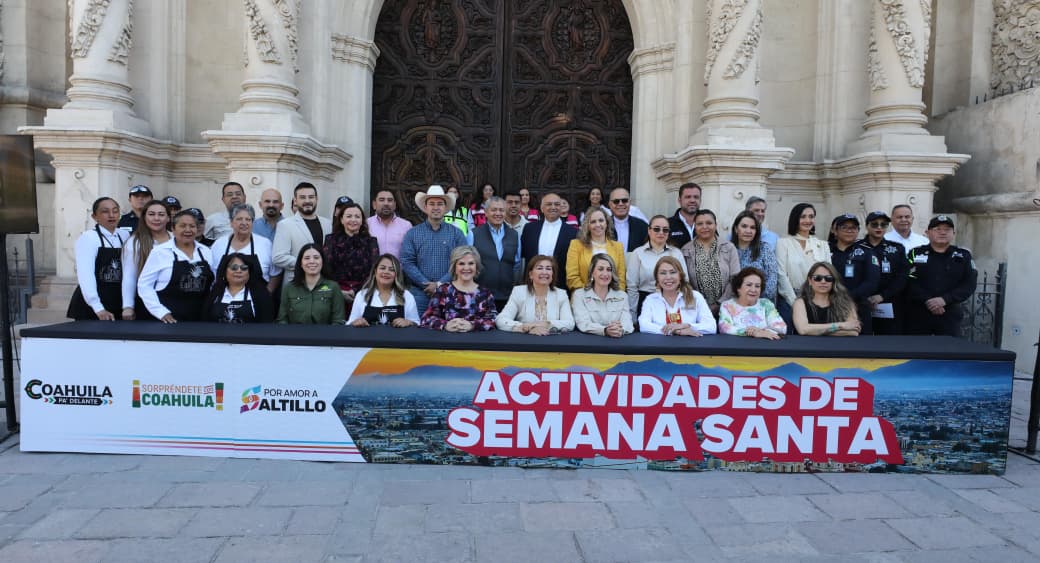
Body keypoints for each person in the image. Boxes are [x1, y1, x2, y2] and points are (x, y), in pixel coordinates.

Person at [137, 210, 215, 323]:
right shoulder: (160, 252)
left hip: (200, 318)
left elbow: (213, 284)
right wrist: (160, 312)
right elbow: (144, 285)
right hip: (168, 319)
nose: (188, 230)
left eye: (192, 226)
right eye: (182, 226)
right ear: (173, 229)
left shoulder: (205, 251)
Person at [401, 185, 469, 312]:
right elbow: (407, 262)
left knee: (449, 328)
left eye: (440, 204)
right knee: (416, 328)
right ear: (425, 207)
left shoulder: (457, 233)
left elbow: (462, 262)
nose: (436, 207)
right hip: (419, 293)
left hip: (450, 292)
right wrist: (426, 284)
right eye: (432, 203)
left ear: (445, 207)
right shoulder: (412, 233)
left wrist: (439, 285)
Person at [906, 215, 977, 336]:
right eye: (937, 229)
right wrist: (928, 300)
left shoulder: (963, 256)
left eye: (947, 229)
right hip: (918, 313)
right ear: (927, 233)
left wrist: (944, 299)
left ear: (953, 233)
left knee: (949, 352)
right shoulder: (915, 253)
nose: (943, 232)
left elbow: (969, 284)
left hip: (949, 313)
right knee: (916, 351)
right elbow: (908, 280)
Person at [67, 197, 128, 320]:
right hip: (93, 304)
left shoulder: (124, 235)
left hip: (117, 300)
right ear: (94, 216)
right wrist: (97, 307)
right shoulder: (89, 238)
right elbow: (86, 274)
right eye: (105, 211)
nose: (111, 215)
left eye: (115, 211)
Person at [775, 203, 831, 330]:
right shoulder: (783, 243)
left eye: (811, 216)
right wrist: (795, 302)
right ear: (795, 219)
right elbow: (781, 274)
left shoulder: (822, 245)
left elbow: (829, 274)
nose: (807, 220)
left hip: (819, 299)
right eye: (803, 217)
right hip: (791, 298)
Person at [420, 245, 497, 332]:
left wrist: (472, 325)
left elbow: (493, 320)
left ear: (476, 267)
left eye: (471, 263)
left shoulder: (485, 293)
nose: (466, 268)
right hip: (448, 343)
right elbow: (426, 319)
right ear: (455, 267)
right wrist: (445, 325)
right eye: (461, 263)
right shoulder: (443, 290)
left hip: (477, 343)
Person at [626, 214, 688, 318]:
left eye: (665, 230)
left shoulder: (677, 253)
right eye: (656, 229)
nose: (661, 233)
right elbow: (632, 287)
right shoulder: (638, 253)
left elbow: (684, 282)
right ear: (649, 231)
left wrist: (680, 308)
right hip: (645, 302)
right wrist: (633, 316)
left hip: (671, 302)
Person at [210, 203, 281, 294]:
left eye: (248, 219)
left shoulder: (265, 244)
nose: (244, 223)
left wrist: (267, 293)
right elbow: (212, 274)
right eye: (239, 219)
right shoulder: (219, 244)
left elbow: (275, 273)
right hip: (224, 300)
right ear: (231, 222)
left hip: (257, 301)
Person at [681, 209, 740, 314]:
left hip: (727, 307)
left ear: (715, 225)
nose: (705, 227)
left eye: (709, 223)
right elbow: (685, 282)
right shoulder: (686, 250)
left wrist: (720, 304)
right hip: (697, 308)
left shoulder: (729, 247)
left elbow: (735, 278)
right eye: (700, 224)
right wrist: (700, 304)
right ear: (695, 226)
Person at [496, 255, 575, 335]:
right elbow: (501, 320)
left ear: (552, 274)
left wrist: (546, 323)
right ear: (531, 274)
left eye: (548, 269)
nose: (544, 272)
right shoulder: (519, 292)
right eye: (539, 268)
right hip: (525, 341)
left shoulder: (561, 294)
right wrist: (526, 327)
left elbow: (569, 323)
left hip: (553, 341)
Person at [829, 213, 880, 334]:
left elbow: (872, 282)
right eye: (844, 227)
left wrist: (847, 298)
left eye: (853, 228)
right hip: (829, 305)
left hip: (859, 306)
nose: (849, 230)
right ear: (835, 231)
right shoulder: (825, 250)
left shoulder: (867, 252)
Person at [323, 197, 380, 307]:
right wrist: (339, 291)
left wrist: (355, 290)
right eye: (349, 216)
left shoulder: (371, 242)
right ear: (341, 220)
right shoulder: (330, 240)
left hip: (364, 293)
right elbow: (326, 270)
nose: (353, 220)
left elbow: (374, 272)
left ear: (362, 220)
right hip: (335, 292)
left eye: (357, 216)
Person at [121, 200, 171, 320]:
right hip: (146, 301)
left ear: (168, 218)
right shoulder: (134, 242)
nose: (156, 218)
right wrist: (128, 306)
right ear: (144, 217)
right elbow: (129, 276)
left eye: (161, 214)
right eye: (152, 214)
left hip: (173, 300)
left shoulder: (175, 239)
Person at [639, 256, 715, 336]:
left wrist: (687, 325)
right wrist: (676, 331)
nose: (668, 277)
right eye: (663, 273)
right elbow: (644, 325)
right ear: (657, 278)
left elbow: (711, 326)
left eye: (673, 272)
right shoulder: (651, 300)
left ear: (680, 276)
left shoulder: (695, 296)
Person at [272, 182, 332, 284]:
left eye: (311, 197)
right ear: (295, 200)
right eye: (303, 197)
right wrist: (307, 263)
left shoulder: (327, 223)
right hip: (296, 283)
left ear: (316, 199)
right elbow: (278, 257)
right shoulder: (285, 225)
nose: (307, 201)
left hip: (323, 282)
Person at [861, 210, 908, 334]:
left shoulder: (897, 248)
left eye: (883, 224)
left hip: (889, 303)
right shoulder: (857, 248)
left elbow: (903, 276)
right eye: (874, 224)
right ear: (867, 226)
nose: (879, 227)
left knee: (888, 344)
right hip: (861, 304)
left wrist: (882, 296)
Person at [520, 192, 578, 289]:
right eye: (549, 204)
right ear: (542, 208)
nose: (553, 207)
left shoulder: (573, 232)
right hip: (532, 284)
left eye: (557, 204)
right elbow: (524, 255)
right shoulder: (529, 228)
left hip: (560, 285)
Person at [472, 196, 521, 310]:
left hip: (507, 295)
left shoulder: (514, 235)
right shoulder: (473, 234)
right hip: (480, 294)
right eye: (494, 210)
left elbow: (517, 264)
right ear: (486, 212)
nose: (498, 213)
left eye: (501, 210)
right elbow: (468, 263)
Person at [276, 244, 345, 325]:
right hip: (295, 336)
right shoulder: (289, 288)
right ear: (300, 263)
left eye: (316, 257)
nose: (312, 261)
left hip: (325, 336)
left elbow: (338, 321)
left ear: (322, 261)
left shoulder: (333, 287)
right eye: (307, 258)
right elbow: (282, 320)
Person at [347, 254, 420, 327]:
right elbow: (350, 324)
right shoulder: (362, 295)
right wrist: (356, 322)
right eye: (382, 268)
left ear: (396, 274)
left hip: (398, 338)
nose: (386, 272)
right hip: (368, 338)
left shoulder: (406, 295)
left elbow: (416, 323)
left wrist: (408, 322)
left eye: (392, 270)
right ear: (375, 271)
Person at [201, 252, 275, 323]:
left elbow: (266, 324)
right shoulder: (215, 292)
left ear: (249, 272)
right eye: (234, 267)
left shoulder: (261, 294)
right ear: (225, 271)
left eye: (244, 267)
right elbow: (206, 320)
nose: (239, 271)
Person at [571, 254, 633, 337]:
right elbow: (583, 323)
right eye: (600, 269)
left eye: (609, 270)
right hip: (591, 343)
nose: (605, 273)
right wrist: (605, 330)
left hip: (617, 342)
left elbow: (628, 323)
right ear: (592, 272)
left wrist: (620, 329)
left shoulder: (622, 296)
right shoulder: (579, 295)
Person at [566, 207, 626, 292]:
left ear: (607, 223)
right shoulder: (576, 245)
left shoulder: (618, 247)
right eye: (593, 222)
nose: (598, 224)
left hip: (612, 300)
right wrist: (591, 294)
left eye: (601, 220)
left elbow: (621, 279)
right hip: (584, 298)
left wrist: (612, 296)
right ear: (588, 225)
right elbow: (572, 278)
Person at [792, 262, 861, 336]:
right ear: (810, 281)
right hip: (807, 346)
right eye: (817, 278)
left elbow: (854, 332)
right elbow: (803, 329)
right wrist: (841, 326)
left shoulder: (846, 303)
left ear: (834, 281)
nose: (823, 281)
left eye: (828, 278)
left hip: (838, 346)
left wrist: (815, 331)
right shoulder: (800, 303)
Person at [718, 267, 786, 339]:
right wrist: (753, 333)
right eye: (749, 285)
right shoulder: (727, 305)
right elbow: (724, 328)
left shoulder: (766, 304)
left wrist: (760, 331)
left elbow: (781, 328)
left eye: (757, 286)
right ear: (738, 288)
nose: (753, 290)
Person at [730, 210, 778, 303]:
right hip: (734, 304)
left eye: (752, 227)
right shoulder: (728, 249)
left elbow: (772, 280)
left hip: (761, 303)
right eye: (744, 226)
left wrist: (754, 300)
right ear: (736, 229)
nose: (748, 231)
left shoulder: (764, 248)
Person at [366, 189, 412, 258]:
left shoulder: (406, 226)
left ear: (395, 205)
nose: (386, 203)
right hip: (372, 268)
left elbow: (411, 253)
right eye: (382, 200)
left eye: (390, 200)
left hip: (399, 268)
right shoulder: (366, 224)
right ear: (374, 204)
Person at [608, 187, 648, 252]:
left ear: (630, 203)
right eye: (616, 201)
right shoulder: (603, 225)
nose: (620, 204)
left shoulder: (642, 226)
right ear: (610, 204)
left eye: (624, 200)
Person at [667, 182, 701, 248]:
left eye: (696, 197)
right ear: (679, 200)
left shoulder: (707, 224)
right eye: (688, 197)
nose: (692, 200)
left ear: (700, 200)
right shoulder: (668, 224)